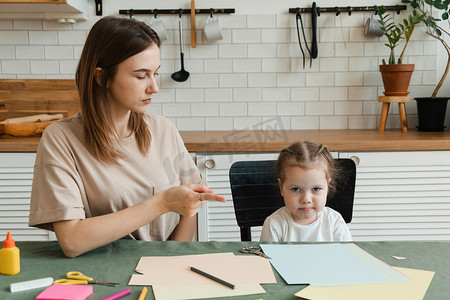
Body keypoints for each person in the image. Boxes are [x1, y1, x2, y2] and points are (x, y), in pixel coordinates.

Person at [28, 16, 225, 258]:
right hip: (99, 274)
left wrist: (168, 264)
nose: (154, 87)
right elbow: (71, 241)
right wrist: (162, 203)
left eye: (155, 73)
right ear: (102, 77)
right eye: (141, 76)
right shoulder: (61, 139)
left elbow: (189, 208)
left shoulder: (164, 130)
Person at [260, 141, 352, 242]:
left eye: (316, 189)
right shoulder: (274, 224)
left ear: (327, 187)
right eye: (296, 189)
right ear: (281, 187)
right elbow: (268, 257)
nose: (306, 199)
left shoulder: (335, 221)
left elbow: (345, 255)